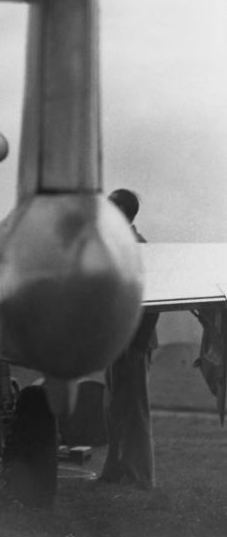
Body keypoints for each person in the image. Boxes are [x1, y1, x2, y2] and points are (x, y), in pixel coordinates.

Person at [98, 188, 158, 490]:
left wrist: (138, 343)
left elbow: (152, 300)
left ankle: (141, 477)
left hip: (134, 342)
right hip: (115, 340)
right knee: (114, 409)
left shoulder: (137, 246)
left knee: (134, 408)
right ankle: (114, 469)